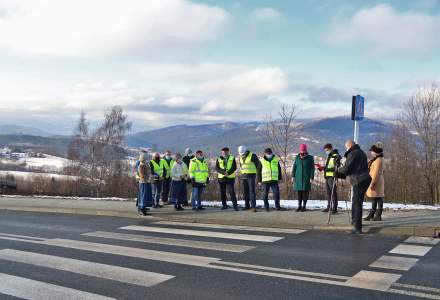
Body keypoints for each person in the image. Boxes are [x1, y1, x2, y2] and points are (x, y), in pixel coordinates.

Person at [336, 139, 372, 234]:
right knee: (356, 201)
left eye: (347, 147)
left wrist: (338, 171)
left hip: (359, 180)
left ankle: (357, 227)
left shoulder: (353, 153)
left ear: (350, 146)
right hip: (365, 178)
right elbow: (352, 168)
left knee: (357, 203)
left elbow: (347, 168)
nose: (346, 149)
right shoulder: (361, 152)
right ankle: (355, 221)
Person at [364, 142, 385, 221]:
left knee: (378, 198)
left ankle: (377, 215)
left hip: (376, 181)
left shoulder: (378, 160)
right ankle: (373, 214)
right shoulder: (377, 159)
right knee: (375, 198)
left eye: (372, 151)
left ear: (376, 152)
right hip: (377, 181)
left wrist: (373, 183)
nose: (371, 152)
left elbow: (376, 173)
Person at [238, 145, 261, 212]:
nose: (242, 155)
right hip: (244, 176)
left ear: (245, 151)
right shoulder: (240, 157)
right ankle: (247, 205)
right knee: (245, 192)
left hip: (251, 176)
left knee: (252, 191)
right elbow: (241, 166)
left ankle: (253, 207)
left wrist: (259, 176)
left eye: (243, 153)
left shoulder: (253, 156)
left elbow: (258, 166)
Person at [292, 144, 315, 212]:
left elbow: (312, 168)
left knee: (305, 192)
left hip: (306, 177)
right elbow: (294, 167)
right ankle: (299, 206)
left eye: (304, 150)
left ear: (306, 150)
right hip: (298, 177)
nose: (302, 151)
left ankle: (304, 206)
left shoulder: (310, 158)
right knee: (299, 192)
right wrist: (293, 176)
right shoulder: (297, 157)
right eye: (301, 150)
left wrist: (311, 177)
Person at [320, 143, 341, 214]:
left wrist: (326, 169)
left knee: (333, 193)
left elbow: (335, 167)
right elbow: (328, 166)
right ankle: (329, 206)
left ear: (331, 148)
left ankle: (334, 208)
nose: (326, 151)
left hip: (332, 177)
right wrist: (323, 168)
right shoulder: (329, 156)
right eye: (325, 150)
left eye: (327, 150)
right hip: (327, 177)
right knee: (328, 193)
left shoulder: (335, 155)